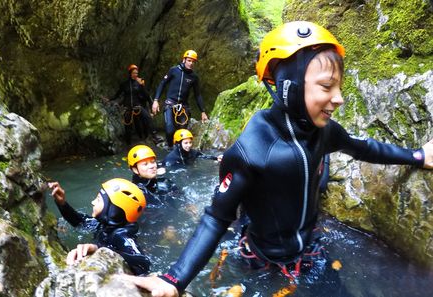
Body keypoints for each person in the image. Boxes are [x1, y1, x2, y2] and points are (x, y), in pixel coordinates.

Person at [124, 21, 433, 296]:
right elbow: (216, 217)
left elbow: (363, 147)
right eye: (327, 86)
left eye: (339, 86)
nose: (338, 98)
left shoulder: (322, 132)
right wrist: (174, 279)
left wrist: (418, 155)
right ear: (289, 88)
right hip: (262, 260)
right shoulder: (252, 150)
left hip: (309, 250)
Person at [48, 178, 151, 275]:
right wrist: (62, 203)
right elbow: (80, 222)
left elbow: (143, 262)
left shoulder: (121, 235)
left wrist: (99, 249)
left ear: (112, 210)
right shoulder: (104, 224)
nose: (92, 202)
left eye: (98, 200)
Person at [152, 50, 209, 148]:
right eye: (189, 60)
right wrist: (156, 100)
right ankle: (170, 149)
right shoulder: (174, 70)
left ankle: (180, 151)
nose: (191, 63)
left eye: (193, 61)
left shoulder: (194, 77)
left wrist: (203, 111)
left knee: (182, 134)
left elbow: (197, 95)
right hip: (170, 104)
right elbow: (163, 84)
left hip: (183, 106)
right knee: (170, 130)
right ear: (184, 60)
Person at [107, 64, 163, 145]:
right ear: (130, 73)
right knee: (128, 127)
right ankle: (128, 144)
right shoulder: (124, 84)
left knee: (148, 118)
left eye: (136, 73)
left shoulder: (139, 84)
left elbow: (146, 95)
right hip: (128, 108)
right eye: (134, 73)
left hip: (138, 107)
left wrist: (142, 86)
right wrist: (109, 99)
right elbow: (117, 94)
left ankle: (155, 136)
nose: (135, 74)